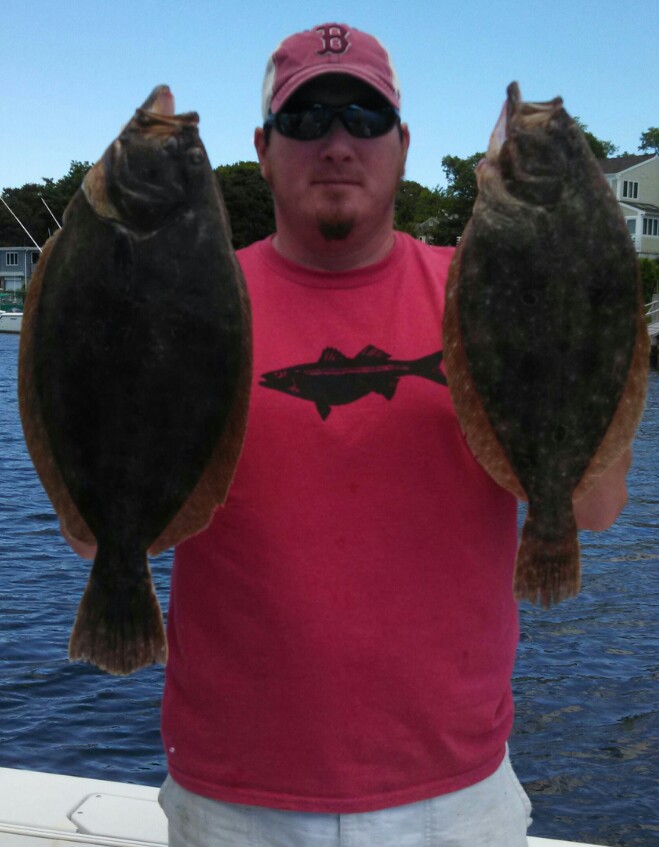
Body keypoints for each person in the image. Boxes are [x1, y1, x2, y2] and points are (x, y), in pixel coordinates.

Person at [68, 22, 630, 847]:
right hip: (232, 802)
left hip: (456, 798)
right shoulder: (192, 305)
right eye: (307, 120)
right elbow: (94, 537)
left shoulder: (478, 290)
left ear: (402, 144)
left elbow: (595, 506)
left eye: (363, 121)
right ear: (262, 148)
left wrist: (584, 301)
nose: (337, 143)